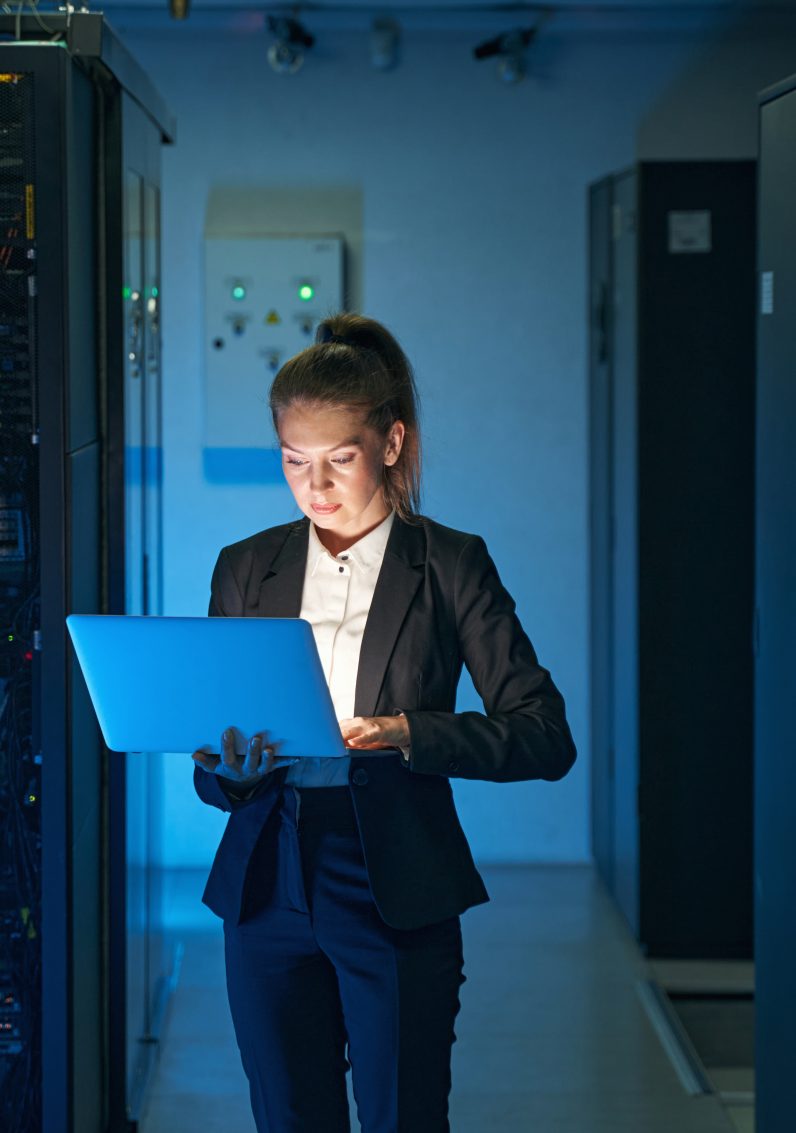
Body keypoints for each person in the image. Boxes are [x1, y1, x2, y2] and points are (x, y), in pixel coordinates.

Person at [191, 313, 577, 1133]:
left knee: (404, 1117)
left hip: (393, 876)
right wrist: (232, 764)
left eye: (341, 458)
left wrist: (412, 731)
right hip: (265, 882)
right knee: (289, 1116)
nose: (316, 485)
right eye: (295, 462)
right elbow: (209, 773)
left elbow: (545, 732)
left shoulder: (449, 563)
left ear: (392, 443)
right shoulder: (245, 568)